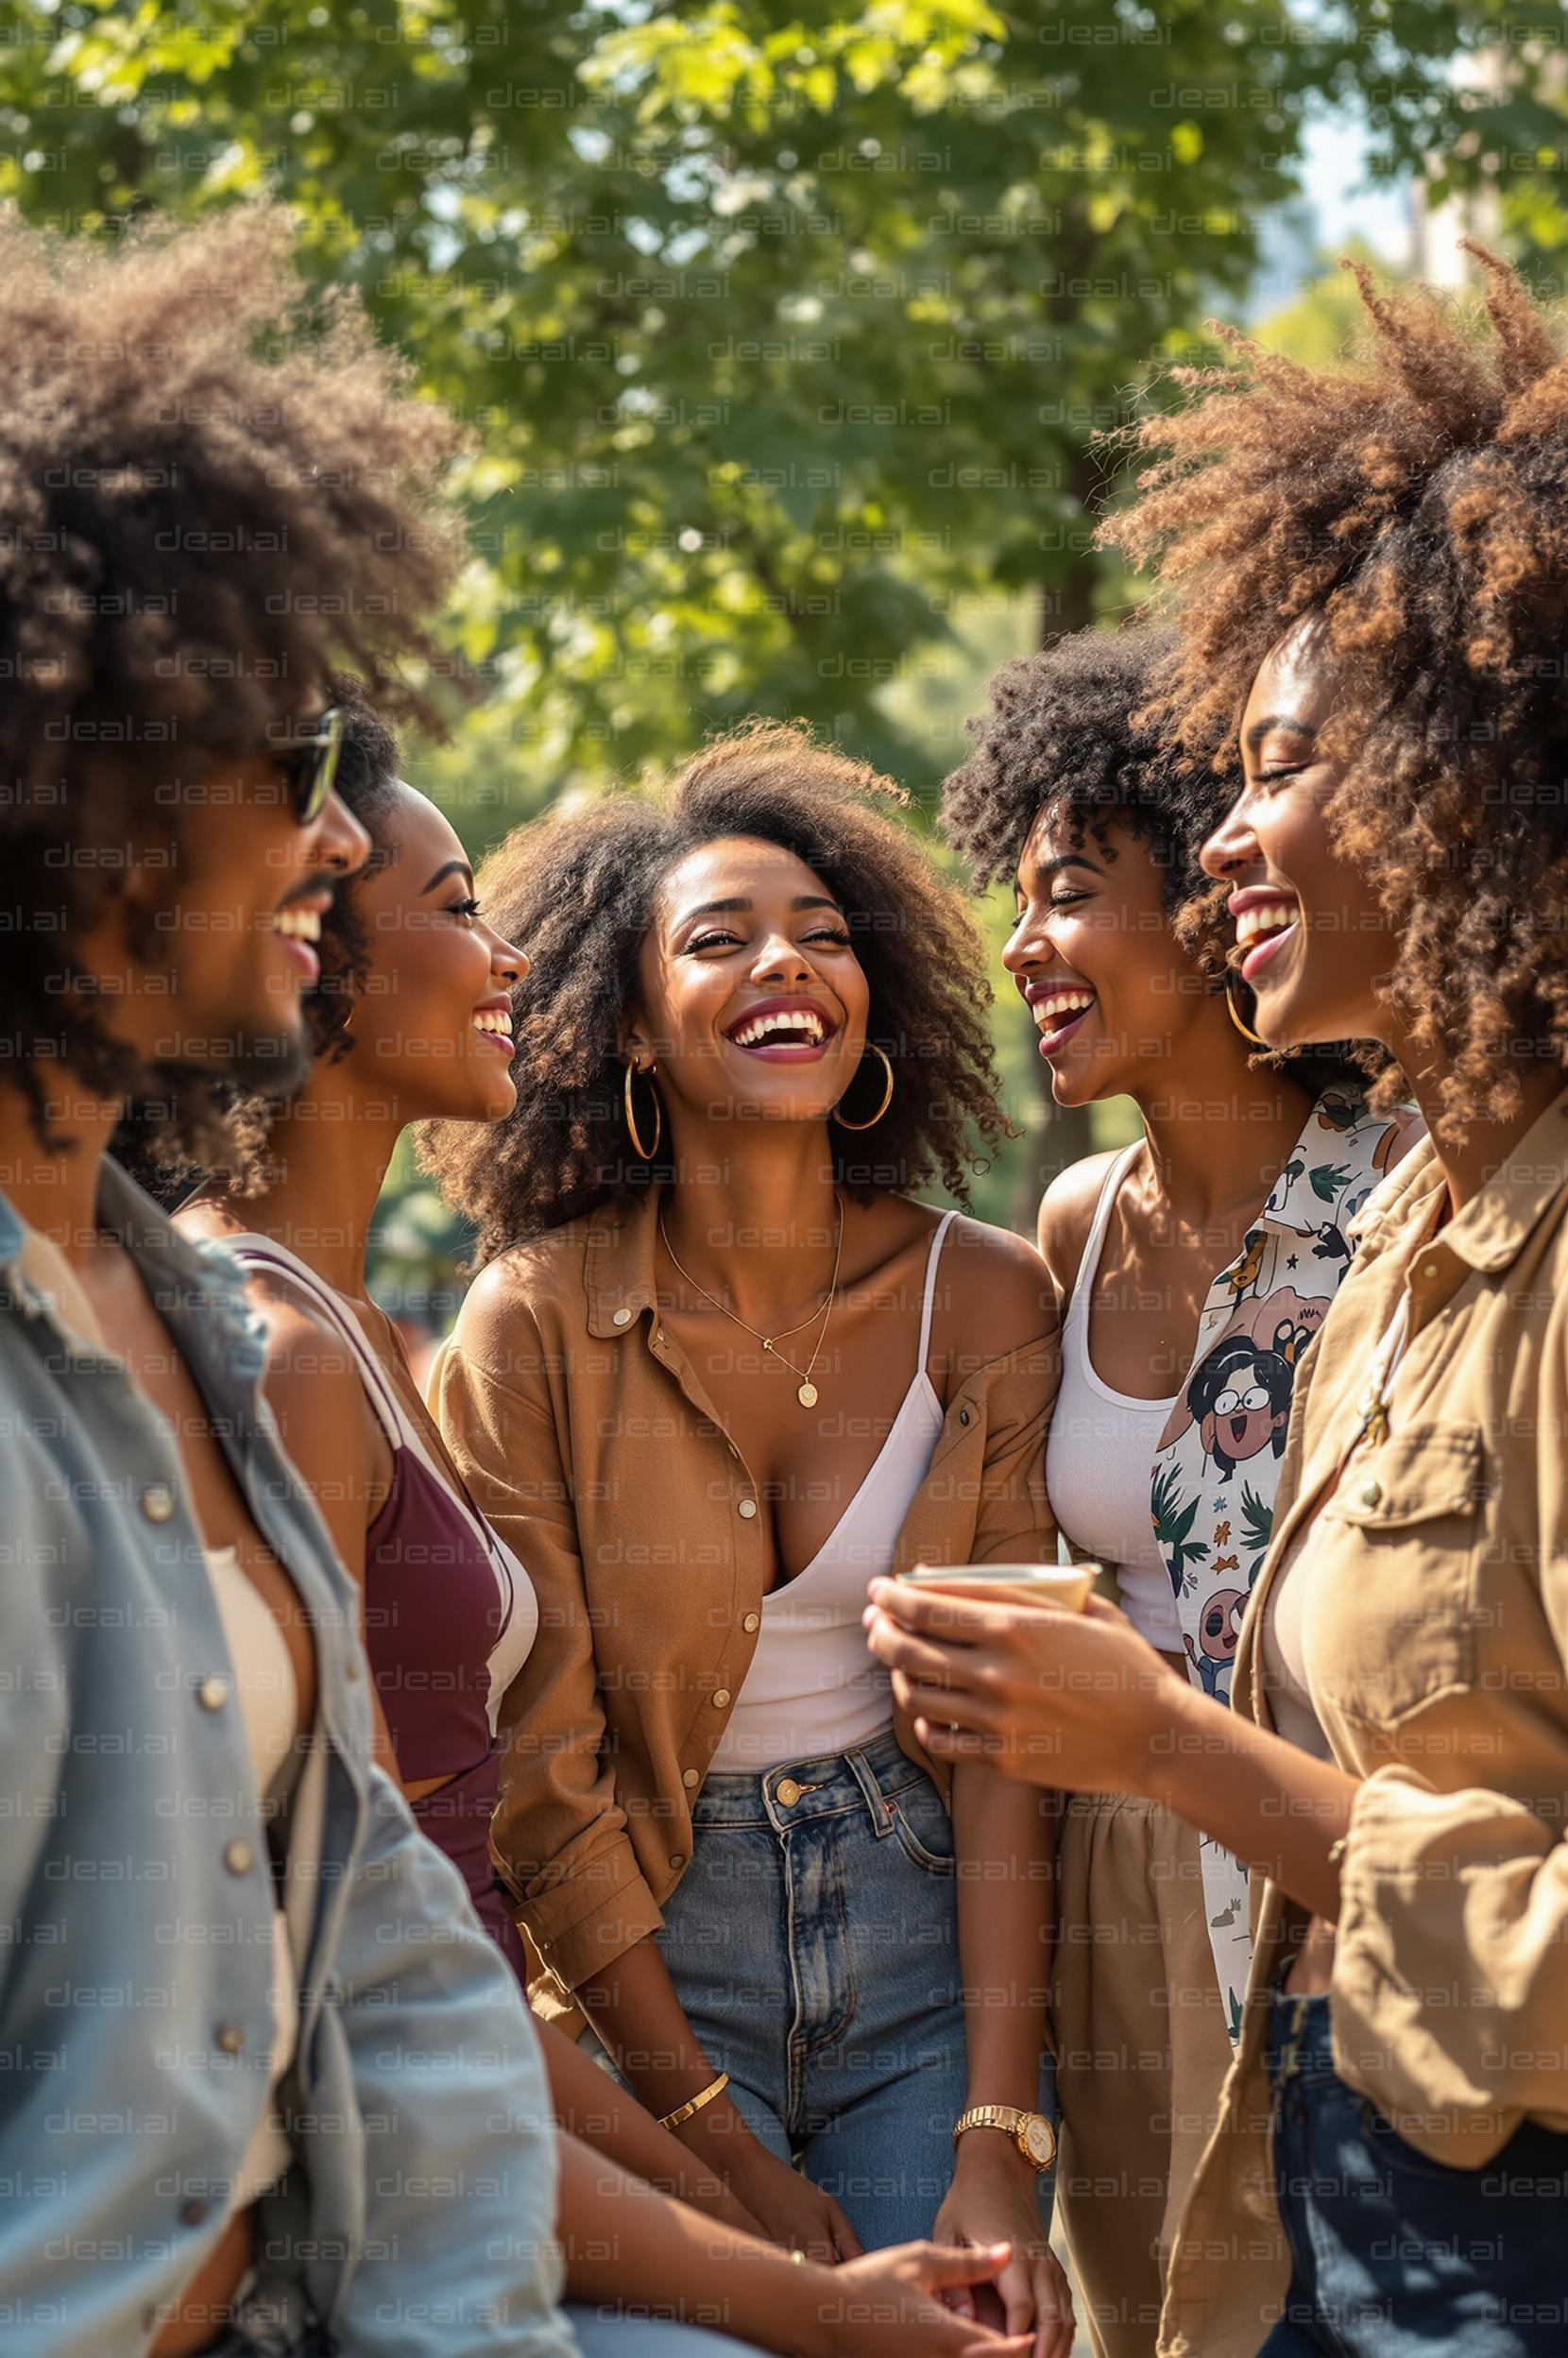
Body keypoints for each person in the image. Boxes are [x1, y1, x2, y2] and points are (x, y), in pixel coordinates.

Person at [0, 199, 1028, 2358]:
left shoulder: (206, 1339)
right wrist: (758, 2228)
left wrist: (826, 2270)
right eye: (293, 785)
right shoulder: (316, 1341)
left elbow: (379, 1978)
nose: (332, 851)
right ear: (73, 795)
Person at [867, 246, 1568, 2357]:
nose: (1229, 835)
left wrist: (1165, 1741)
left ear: (1476, 779)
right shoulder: (1412, 1239)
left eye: (1271, 772)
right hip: (1329, 2139)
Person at [422, 724, 1075, 2357]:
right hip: (650, 1952)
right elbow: (544, 1775)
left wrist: (1001, 2139)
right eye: (719, 940)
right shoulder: (529, 1327)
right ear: (629, 1029)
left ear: (872, 1010)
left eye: (826, 934)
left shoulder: (984, 1298)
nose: (788, 961)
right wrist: (708, 2142)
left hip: (928, 1939)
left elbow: (1008, 1747)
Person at [161, 683, 766, 2228]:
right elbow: (368, 1934)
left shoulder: (358, 1327)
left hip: (489, 2082)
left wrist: (712, 2177)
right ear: (315, 956)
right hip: (413, 2151)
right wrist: (730, 2217)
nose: (506, 959)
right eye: (454, 907)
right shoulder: (276, 1353)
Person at [938, 626, 1416, 2357]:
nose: (1022, 946)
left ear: (1208, 900)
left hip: (1318, 1862)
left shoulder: (1409, 1183)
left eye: (1069, 891)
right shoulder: (1073, 1220)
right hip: (1119, 1891)